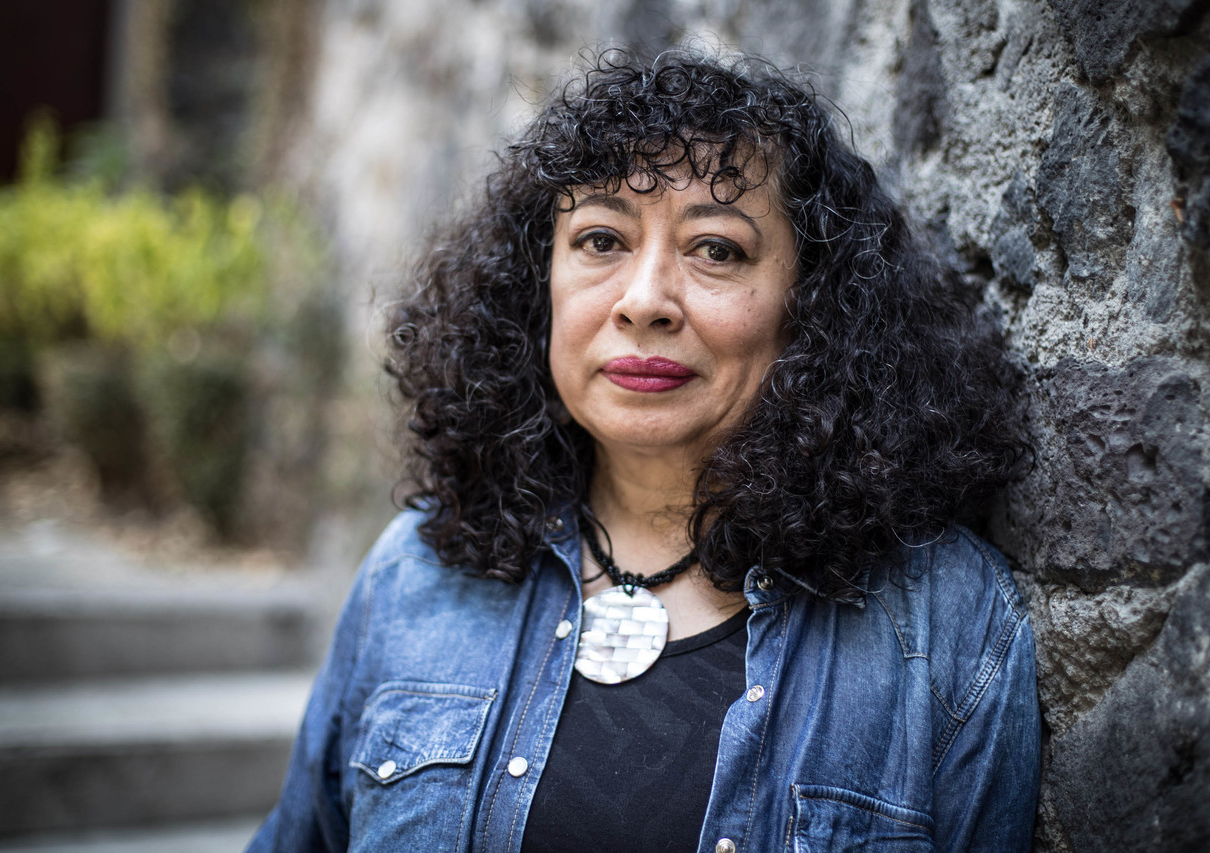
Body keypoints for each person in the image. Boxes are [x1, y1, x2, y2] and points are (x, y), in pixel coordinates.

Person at [248, 48, 1040, 852]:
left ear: (813, 305)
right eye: (601, 239)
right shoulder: (413, 572)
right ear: (537, 284)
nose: (643, 300)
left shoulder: (946, 621)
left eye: (716, 249)